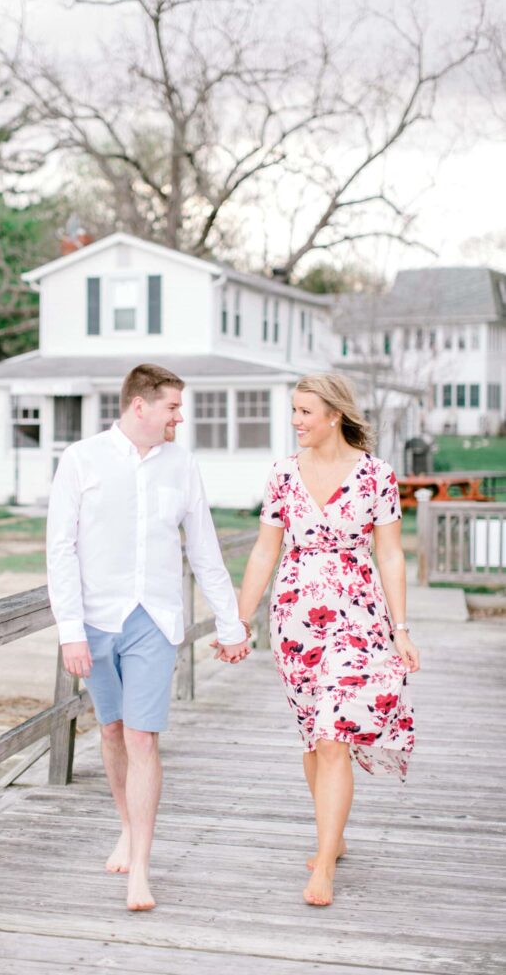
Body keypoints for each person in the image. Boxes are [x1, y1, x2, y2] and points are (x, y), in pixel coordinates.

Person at [46, 363, 250, 912]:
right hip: (94, 621)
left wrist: (230, 625)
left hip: (154, 621)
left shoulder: (182, 466)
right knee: (111, 732)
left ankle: (141, 868)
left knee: (142, 738)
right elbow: (59, 550)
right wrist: (70, 632)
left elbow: (204, 549)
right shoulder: (81, 460)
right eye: (173, 408)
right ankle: (127, 827)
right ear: (141, 405)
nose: (180, 418)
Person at [237, 373, 419, 907]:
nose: (295, 421)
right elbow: (264, 553)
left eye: (304, 412)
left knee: (335, 735)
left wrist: (401, 629)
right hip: (295, 622)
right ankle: (332, 838)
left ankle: (324, 867)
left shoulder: (375, 476)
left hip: (359, 617)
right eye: (293, 411)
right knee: (315, 740)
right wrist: (240, 620)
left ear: (334, 415)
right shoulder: (282, 476)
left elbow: (389, 554)